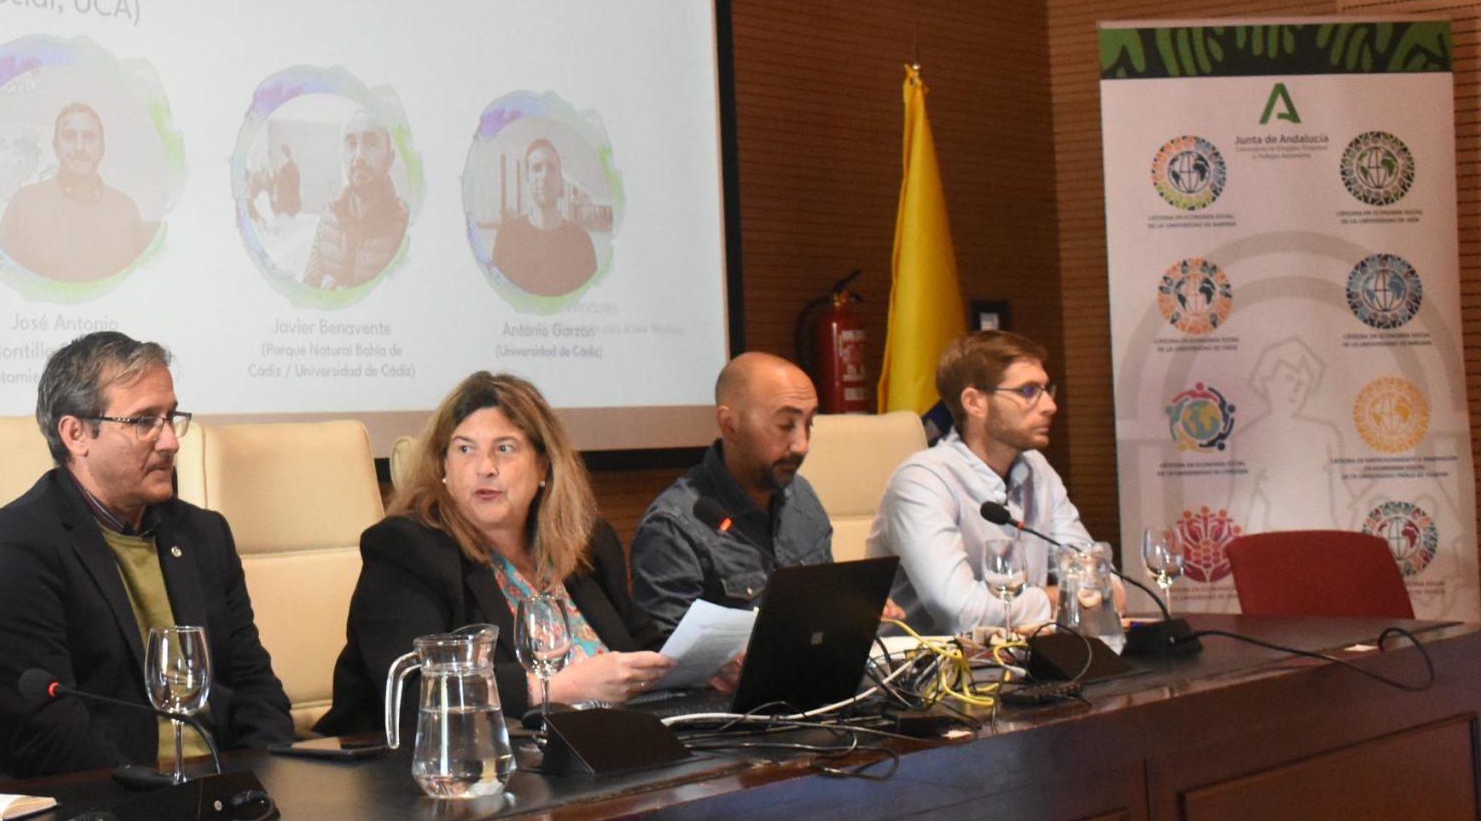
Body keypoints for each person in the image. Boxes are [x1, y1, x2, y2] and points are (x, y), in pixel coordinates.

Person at [0, 332, 293, 778]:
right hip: (102, 799)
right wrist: (160, 798)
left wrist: (265, 779)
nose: (170, 442)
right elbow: (47, 734)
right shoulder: (12, 548)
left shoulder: (204, 535)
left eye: (171, 418)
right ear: (76, 434)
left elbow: (254, 686)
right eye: (144, 421)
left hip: (221, 788)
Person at [322, 371, 673, 736]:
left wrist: (696, 664)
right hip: (451, 761)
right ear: (443, 466)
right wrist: (563, 687)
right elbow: (415, 695)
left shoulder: (586, 542)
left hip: (601, 751)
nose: (484, 468)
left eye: (505, 449)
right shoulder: (406, 549)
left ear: (543, 465)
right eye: (465, 449)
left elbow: (641, 644)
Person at [868, 330, 1094, 635]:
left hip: (1023, 658)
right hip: (929, 662)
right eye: (1028, 391)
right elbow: (961, 612)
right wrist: (1059, 599)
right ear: (974, 402)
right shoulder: (922, 481)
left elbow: (1101, 581)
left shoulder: (1038, 470)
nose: (1049, 406)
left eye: (1046, 389)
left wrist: (1083, 594)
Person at [631, 352, 836, 633]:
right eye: (786, 425)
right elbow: (666, 653)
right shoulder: (672, 527)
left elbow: (825, 606)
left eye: (809, 424)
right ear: (729, 424)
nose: (802, 445)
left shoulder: (802, 495)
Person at [0, 102, 151, 283]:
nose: (79, 147)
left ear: (101, 149)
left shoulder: (126, 211)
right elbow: (1, 282)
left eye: (89, 137)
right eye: (69, 137)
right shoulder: (23, 205)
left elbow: (138, 285)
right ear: (55, 147)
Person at [304, 110, 408, 290]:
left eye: (371, 143)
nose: (359, 156)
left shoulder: (404, 225)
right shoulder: (329, 218)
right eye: (351, 144)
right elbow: (307, 291)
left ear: (389, 160)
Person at [489, 137, 596, 297]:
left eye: (551, 168)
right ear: (527, 178)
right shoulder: (507, 235)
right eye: (537, 168)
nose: (544, 175)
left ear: (560, 181)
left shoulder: (581, 242)